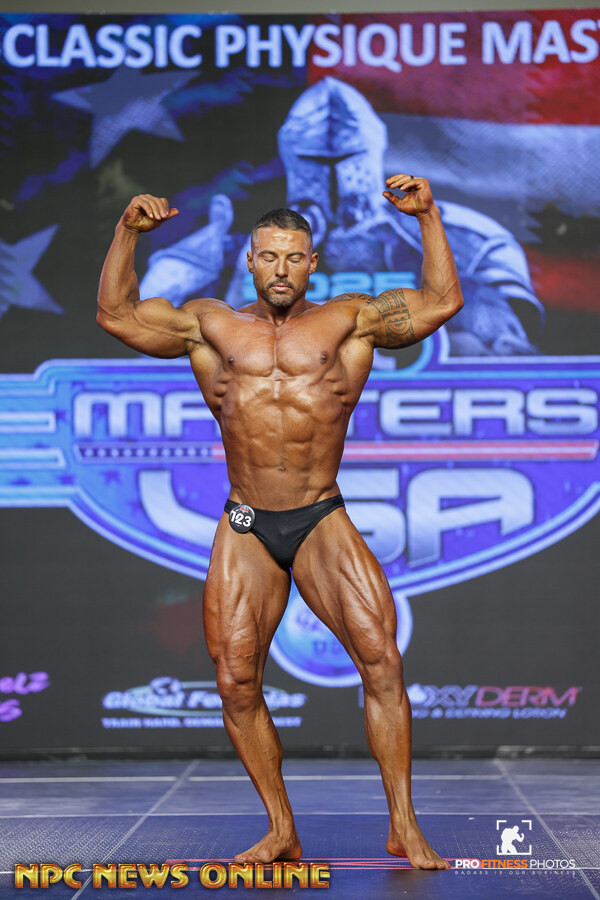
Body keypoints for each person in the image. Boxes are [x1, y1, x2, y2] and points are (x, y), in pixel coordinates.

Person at [97, 174, 463, 870]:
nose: (281, 269)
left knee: (381, 662)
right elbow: (116, 315)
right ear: (250, 260)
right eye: (268, 256)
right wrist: (127, 233)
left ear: (312, 262)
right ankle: (280, 828)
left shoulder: (350, 321)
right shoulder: (210, 326)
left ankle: (404, 825)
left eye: (294, 257)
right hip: (246, 523)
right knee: (236, 680)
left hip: (320, 514)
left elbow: (442, 300)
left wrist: (428, 217)